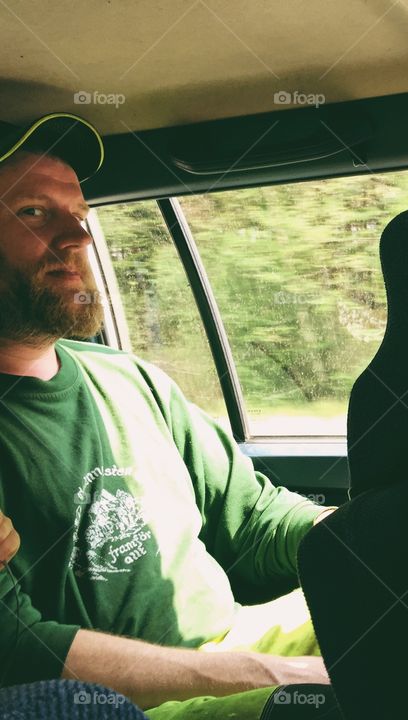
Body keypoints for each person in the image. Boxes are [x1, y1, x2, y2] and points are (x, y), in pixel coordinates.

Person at [0, 114, 334, 719]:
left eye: (80, 212)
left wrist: (389, 533)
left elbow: (254, 522)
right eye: (33, 211)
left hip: (234, 643)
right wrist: (283, 674)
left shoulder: (125, 377)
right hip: (128, 704)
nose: (77, 234)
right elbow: (16, 653)